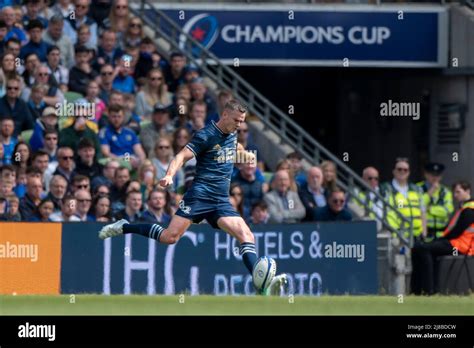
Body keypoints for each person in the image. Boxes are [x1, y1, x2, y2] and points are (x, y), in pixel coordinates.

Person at [99, 100, 287, 295]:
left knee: (246, 235)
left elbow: (236, 151)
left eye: (242, 122)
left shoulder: (232, 133)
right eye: (237, 120)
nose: (239, 125)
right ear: (224, 115)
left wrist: (245, 157)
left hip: (221, 200)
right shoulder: (206, 135)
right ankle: (124, 226)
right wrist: (170, 175)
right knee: (169, 237)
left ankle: (262, 287)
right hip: (200, 195)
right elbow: (181, 156)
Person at [411, 180, 474, 295]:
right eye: (454, 193)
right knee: (422, 249)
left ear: (467, 191)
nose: (455, 196)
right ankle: (426, 289)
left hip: (460, 247)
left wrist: (440, 239)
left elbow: (457, 231)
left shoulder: (470, 209)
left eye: (458, 192)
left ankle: (428, 290)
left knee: (424, 249)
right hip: (458, 244)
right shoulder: (464, 207)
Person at [382, 157, 426, 241]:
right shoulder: (386, 189)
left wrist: (424, 233)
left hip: (417, 236)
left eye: (405, 170)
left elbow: (422, 212)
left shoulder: (416, 189)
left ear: (409, 172)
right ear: (394, 171)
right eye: (399, 169)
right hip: (398, 237)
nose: (402, 171)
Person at [416, 162, 454, 240]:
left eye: (437, 175)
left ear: (441, 177)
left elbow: (448, 211)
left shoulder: (446, 191)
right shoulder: (417, 188)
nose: (435, 177)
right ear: (426, 175)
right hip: (422, 232)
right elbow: (417, 206)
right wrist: (430, 193)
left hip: (441, 234)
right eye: (432, 175)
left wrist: (429, 209)